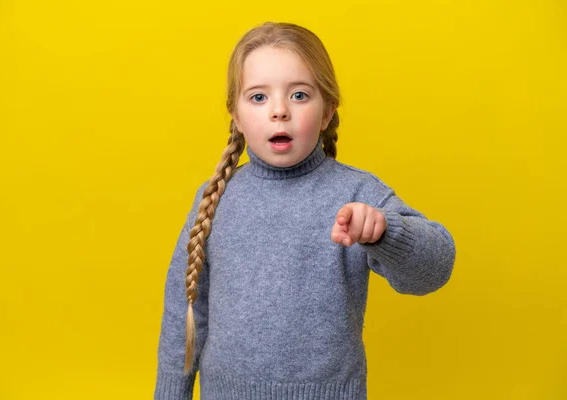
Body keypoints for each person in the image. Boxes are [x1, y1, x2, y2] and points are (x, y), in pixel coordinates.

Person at [153, 21, 456, 400]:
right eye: (259, 98)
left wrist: (386, 233)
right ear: (235, 115)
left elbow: (435, 270)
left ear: (327, 111)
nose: (279, 111)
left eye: (299, 95)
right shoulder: (216, 198)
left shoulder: (357, 194)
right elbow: (182, 315)